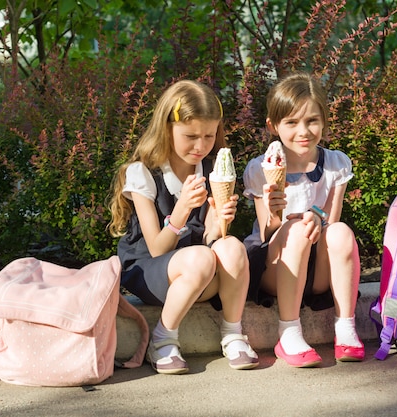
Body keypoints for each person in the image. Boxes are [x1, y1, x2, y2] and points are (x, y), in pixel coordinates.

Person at [108, 80, 258, 374]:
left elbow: (210, 239)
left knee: (233, 247)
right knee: (200, 258)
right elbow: (156, 247)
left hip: (198, 273)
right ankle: (163, 339)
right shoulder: (143, 173)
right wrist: (183, 207)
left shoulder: (213, 168)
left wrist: (219, 218)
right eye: (190, 135)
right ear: (167, 129)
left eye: (209, 135)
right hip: (151, 272)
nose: (200, 145)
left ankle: (233, 333)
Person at [243, 72, 364, 367]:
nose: (303, 131)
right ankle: (288, 332)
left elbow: (331, 219)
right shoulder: (261, 169)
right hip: (278, 268)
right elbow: (266, 233)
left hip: (317, 271)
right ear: (273, 126)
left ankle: (345, 327)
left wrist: (316, 215)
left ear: (323, 120)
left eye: (312, 120)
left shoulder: (336, 164)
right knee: (295, 231)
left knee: (342, 232)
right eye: (292, 122)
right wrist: (274, 213)